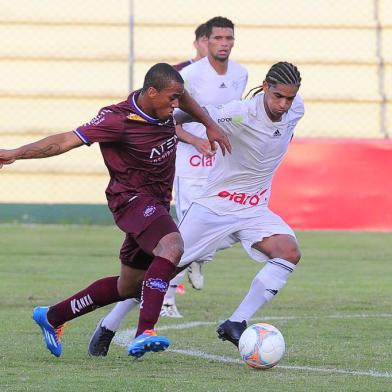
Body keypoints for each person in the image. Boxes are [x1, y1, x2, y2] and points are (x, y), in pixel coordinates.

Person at [0, 63, 231, 359]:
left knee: (129, 286)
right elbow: (63, 141)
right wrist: (15, 153)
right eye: (171, 99)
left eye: (178, 98)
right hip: (131, 200)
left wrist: (209, 123)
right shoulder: (116, 120)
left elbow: (185, 97)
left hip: (156, 203)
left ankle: (52, 316)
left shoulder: (165, 104)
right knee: (173, 246)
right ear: (151, 92)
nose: (176, 105)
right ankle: (145, 331)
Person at [87, 61, 304, 356]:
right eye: (278, 96)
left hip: (255, 210)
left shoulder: (296, 109)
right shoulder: (237, 114)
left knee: (288, 252)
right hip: (215, 208)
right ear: (265, 87)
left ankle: (236, 323)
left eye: (290, 98)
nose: (284, 104)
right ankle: (108, 326)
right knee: (160, 272)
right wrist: (164, 123)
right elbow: (184, 116)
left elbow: (281, 136)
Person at [87, 16, 249, 357]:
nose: (222, 43)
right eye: (215, 37)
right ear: (202, 42)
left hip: (225, 173)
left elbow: (224, 117)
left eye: (228, 37)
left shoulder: (241, 75)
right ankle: (148, 313)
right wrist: (196, 138)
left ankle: (111, 321)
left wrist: (219, 133)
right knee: (173, 250)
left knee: (170, 255)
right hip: (189, 169)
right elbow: (165, 118)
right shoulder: (185, 75)